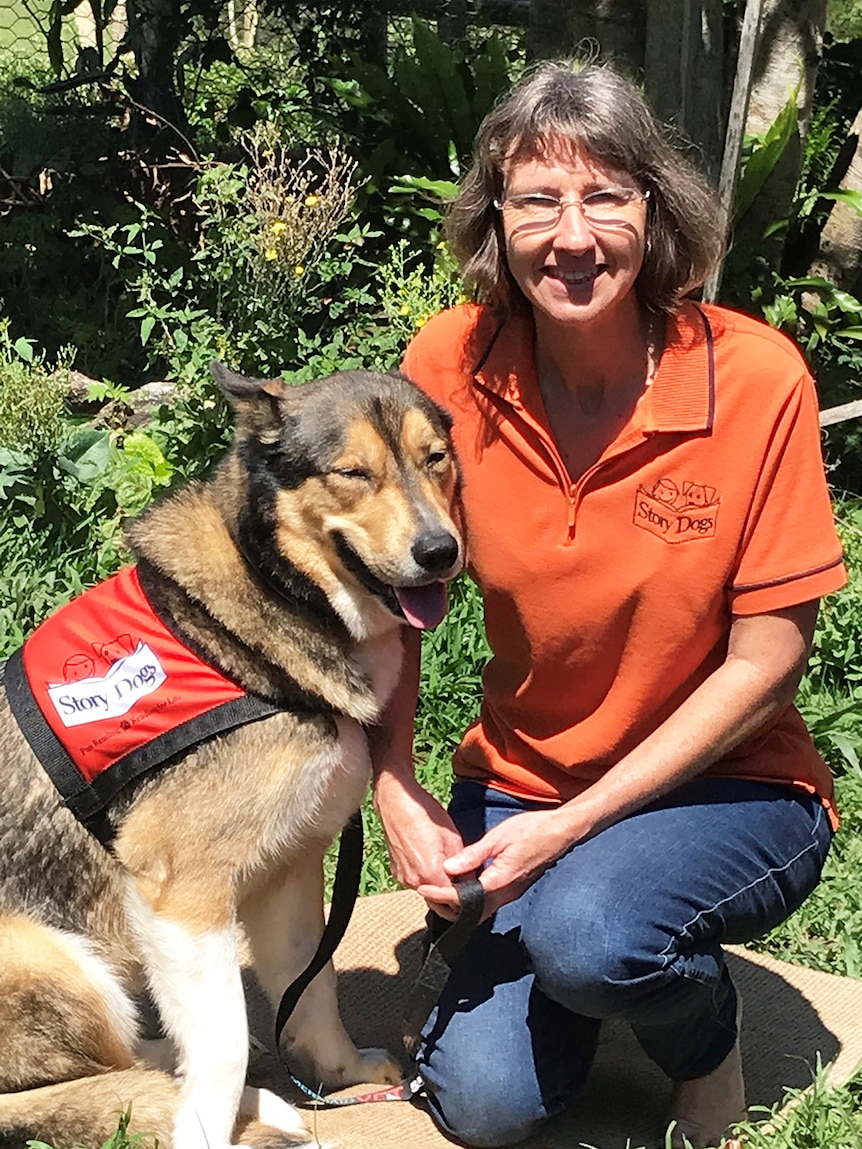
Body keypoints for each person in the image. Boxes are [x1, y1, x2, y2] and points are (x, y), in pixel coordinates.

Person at [369, 60, 846, 1149]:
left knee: (593, 940)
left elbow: (767, 661)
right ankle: (577, 940)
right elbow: (400, 597)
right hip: (520, 781)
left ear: (653, 211)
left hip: (728, 787)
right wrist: (395, 786)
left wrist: (571, 831)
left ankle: (701, 1038)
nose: (570, 235)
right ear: (497, 218)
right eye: (536, 199)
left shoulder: (756, 379)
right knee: (487, 1107)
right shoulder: (449, 362)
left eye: (604, 197)